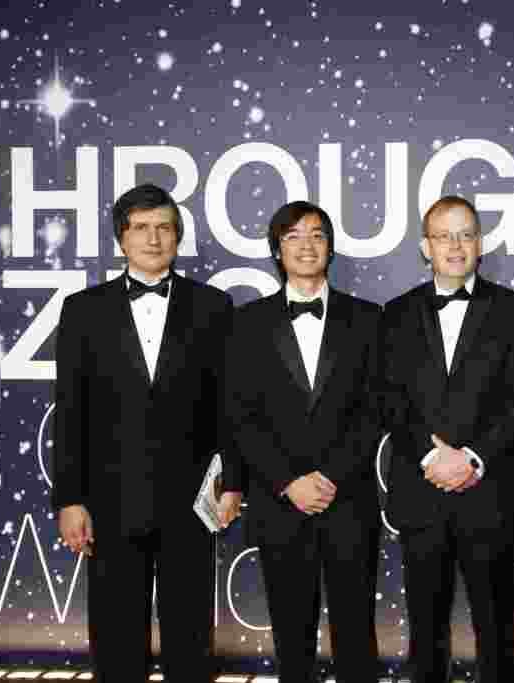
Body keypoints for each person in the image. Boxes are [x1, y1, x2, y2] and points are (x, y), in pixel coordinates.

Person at [52, 183, 242, 682]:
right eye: (141, 228)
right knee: (115, 641)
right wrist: (69, 499)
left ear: (178, 237)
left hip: (191, 504)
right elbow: (72, 411)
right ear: (121, 239)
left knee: (190, 638)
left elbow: (231, 408)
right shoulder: (82, 310)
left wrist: (234, 484)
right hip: (111, 502)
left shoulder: (214, 307)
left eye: (164, 228)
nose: (153, 238)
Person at [226, 201, 381, 683]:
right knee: (291, 636)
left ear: (330, 247)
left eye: (316, 235)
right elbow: (241, 417)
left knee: (356, 633)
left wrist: (330, 475)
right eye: (293, 236)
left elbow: (376, 411)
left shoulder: (368, 318)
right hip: (280, 502)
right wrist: (288, 480)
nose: (306, 244)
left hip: (348, 499)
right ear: (277, 250)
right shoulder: (244, 323)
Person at [381, 196, 514, 683]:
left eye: (465, 234)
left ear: (480, 244)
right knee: (426, 631)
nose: (455, 244)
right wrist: (432, 456)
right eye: (444, 235)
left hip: (489, 494)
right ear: (426, 248)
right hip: (421, 494)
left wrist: (472, 458)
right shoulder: (396, 313)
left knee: (496, 629)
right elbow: (389, 400)